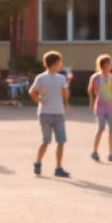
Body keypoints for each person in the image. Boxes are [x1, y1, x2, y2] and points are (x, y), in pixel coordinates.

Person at [29, 50, 71, 178]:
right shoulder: (62, 78)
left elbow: (31, 92)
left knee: (46, 140)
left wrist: (39, 100)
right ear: (55, 63)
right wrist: (68, 85)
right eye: (59, 62)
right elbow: (65, 94)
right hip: (58, 112)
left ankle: (38, 162)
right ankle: (58, 167)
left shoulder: (40, 77)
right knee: (60, 141)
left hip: (44, 112)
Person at [88, 54, 112, 162]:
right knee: (100, 128)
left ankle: (111, 153)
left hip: (110, 106)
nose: (108, 65)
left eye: (109, 63)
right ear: (102, 65)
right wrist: (91, 101)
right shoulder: (96, 77)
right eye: (106, 63)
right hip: (100, 106)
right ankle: (94, 151)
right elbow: (90, 89)